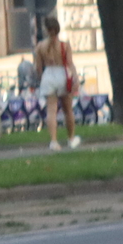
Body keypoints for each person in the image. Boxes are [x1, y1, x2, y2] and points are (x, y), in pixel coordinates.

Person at [34, 15, 79, 150]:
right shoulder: (64, 46)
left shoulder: (40, 46)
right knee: (68, 110)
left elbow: (38, 67)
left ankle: (54, 141)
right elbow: (70, 64)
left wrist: (42, 78)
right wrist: (75, 78)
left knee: (51, 111)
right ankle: (71, 139)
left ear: (46, 30)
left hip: (48, 75)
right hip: (63, 75)